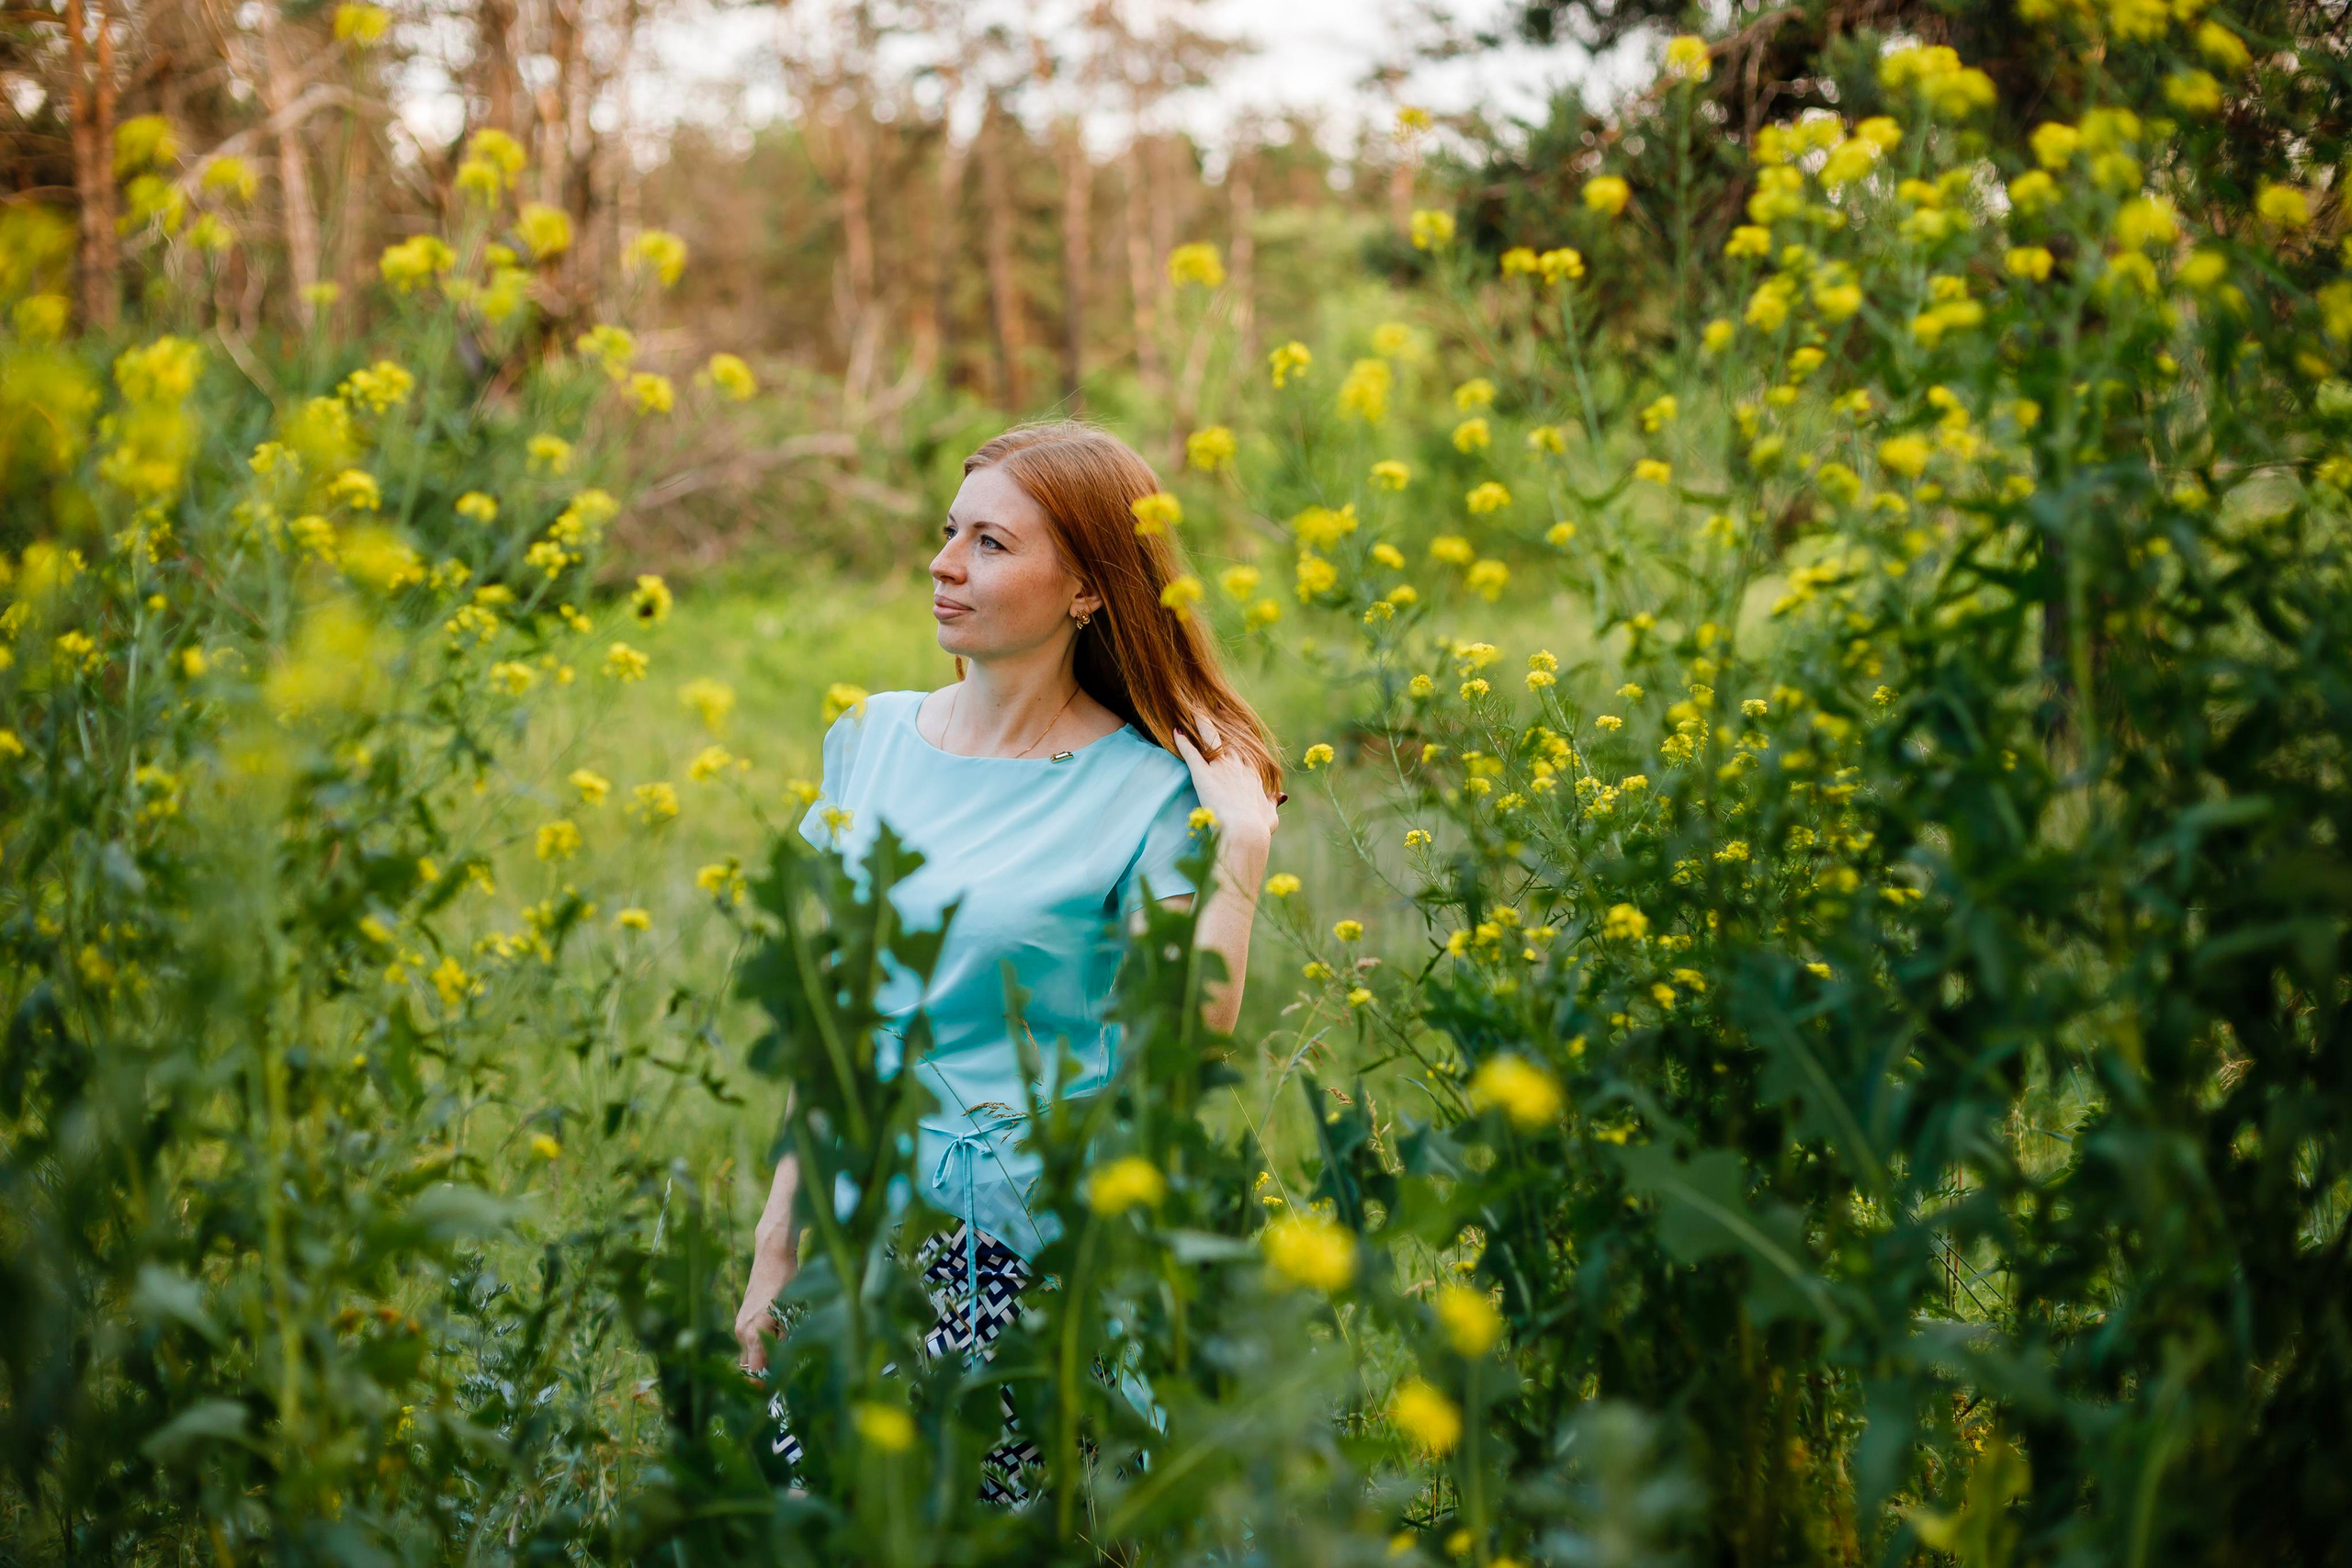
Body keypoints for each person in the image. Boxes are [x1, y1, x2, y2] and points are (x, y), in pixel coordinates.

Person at [731, 421, 1285, 1504]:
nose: (943, 565)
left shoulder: (1147, 788)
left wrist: (1242, 852)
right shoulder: (870, 739)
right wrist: (774, 1244)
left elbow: (1181, 1052)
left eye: (990, 543)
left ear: (1087, 588)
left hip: (1025, 1252)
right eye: (949, 532)